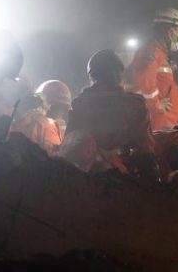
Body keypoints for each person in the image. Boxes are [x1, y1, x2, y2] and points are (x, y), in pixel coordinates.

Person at [59, 49, 158, 181]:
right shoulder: (135, 104)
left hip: (84, 180)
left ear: (92, 76)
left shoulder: (79, 105)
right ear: (119, 75)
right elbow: (146, 150)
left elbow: (70, 145)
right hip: (125, 181)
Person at [126, 7, 178, 130]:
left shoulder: (159, 53)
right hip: (158, 124)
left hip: (162, 123)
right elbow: (144, 83)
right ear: (171, 31)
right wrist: (156, 106)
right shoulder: (152, 52)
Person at [10, 80, 71, 155]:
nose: (64, 114)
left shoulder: (23, 119)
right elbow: (54, 159)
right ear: (52, 106)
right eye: (64, 108)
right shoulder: (48, 126)